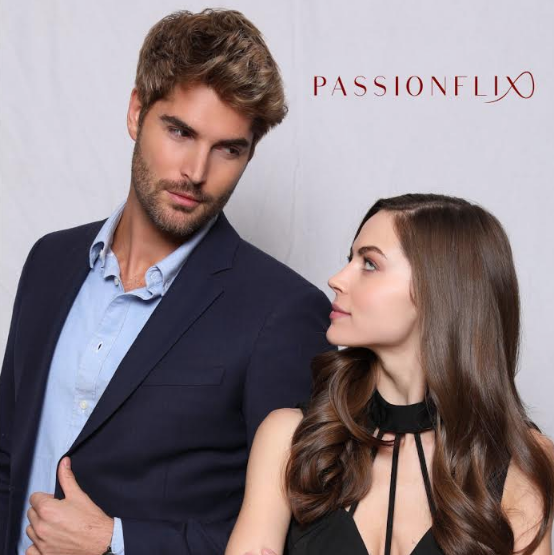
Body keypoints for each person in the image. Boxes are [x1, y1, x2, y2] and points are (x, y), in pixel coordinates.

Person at [0, 9, 335, 555]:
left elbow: (305, 530)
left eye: (229, 149)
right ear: (136, 113)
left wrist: (116, 540)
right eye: (180, 132)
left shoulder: (284, 312)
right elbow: (10, 452)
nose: (196, 172)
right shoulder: (50, 261)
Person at [225, 193, 554, 555]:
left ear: (438, 290)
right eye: (350, 259)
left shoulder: (520, 459)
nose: (336, 279)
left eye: (369, 263)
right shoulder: (290, 437)